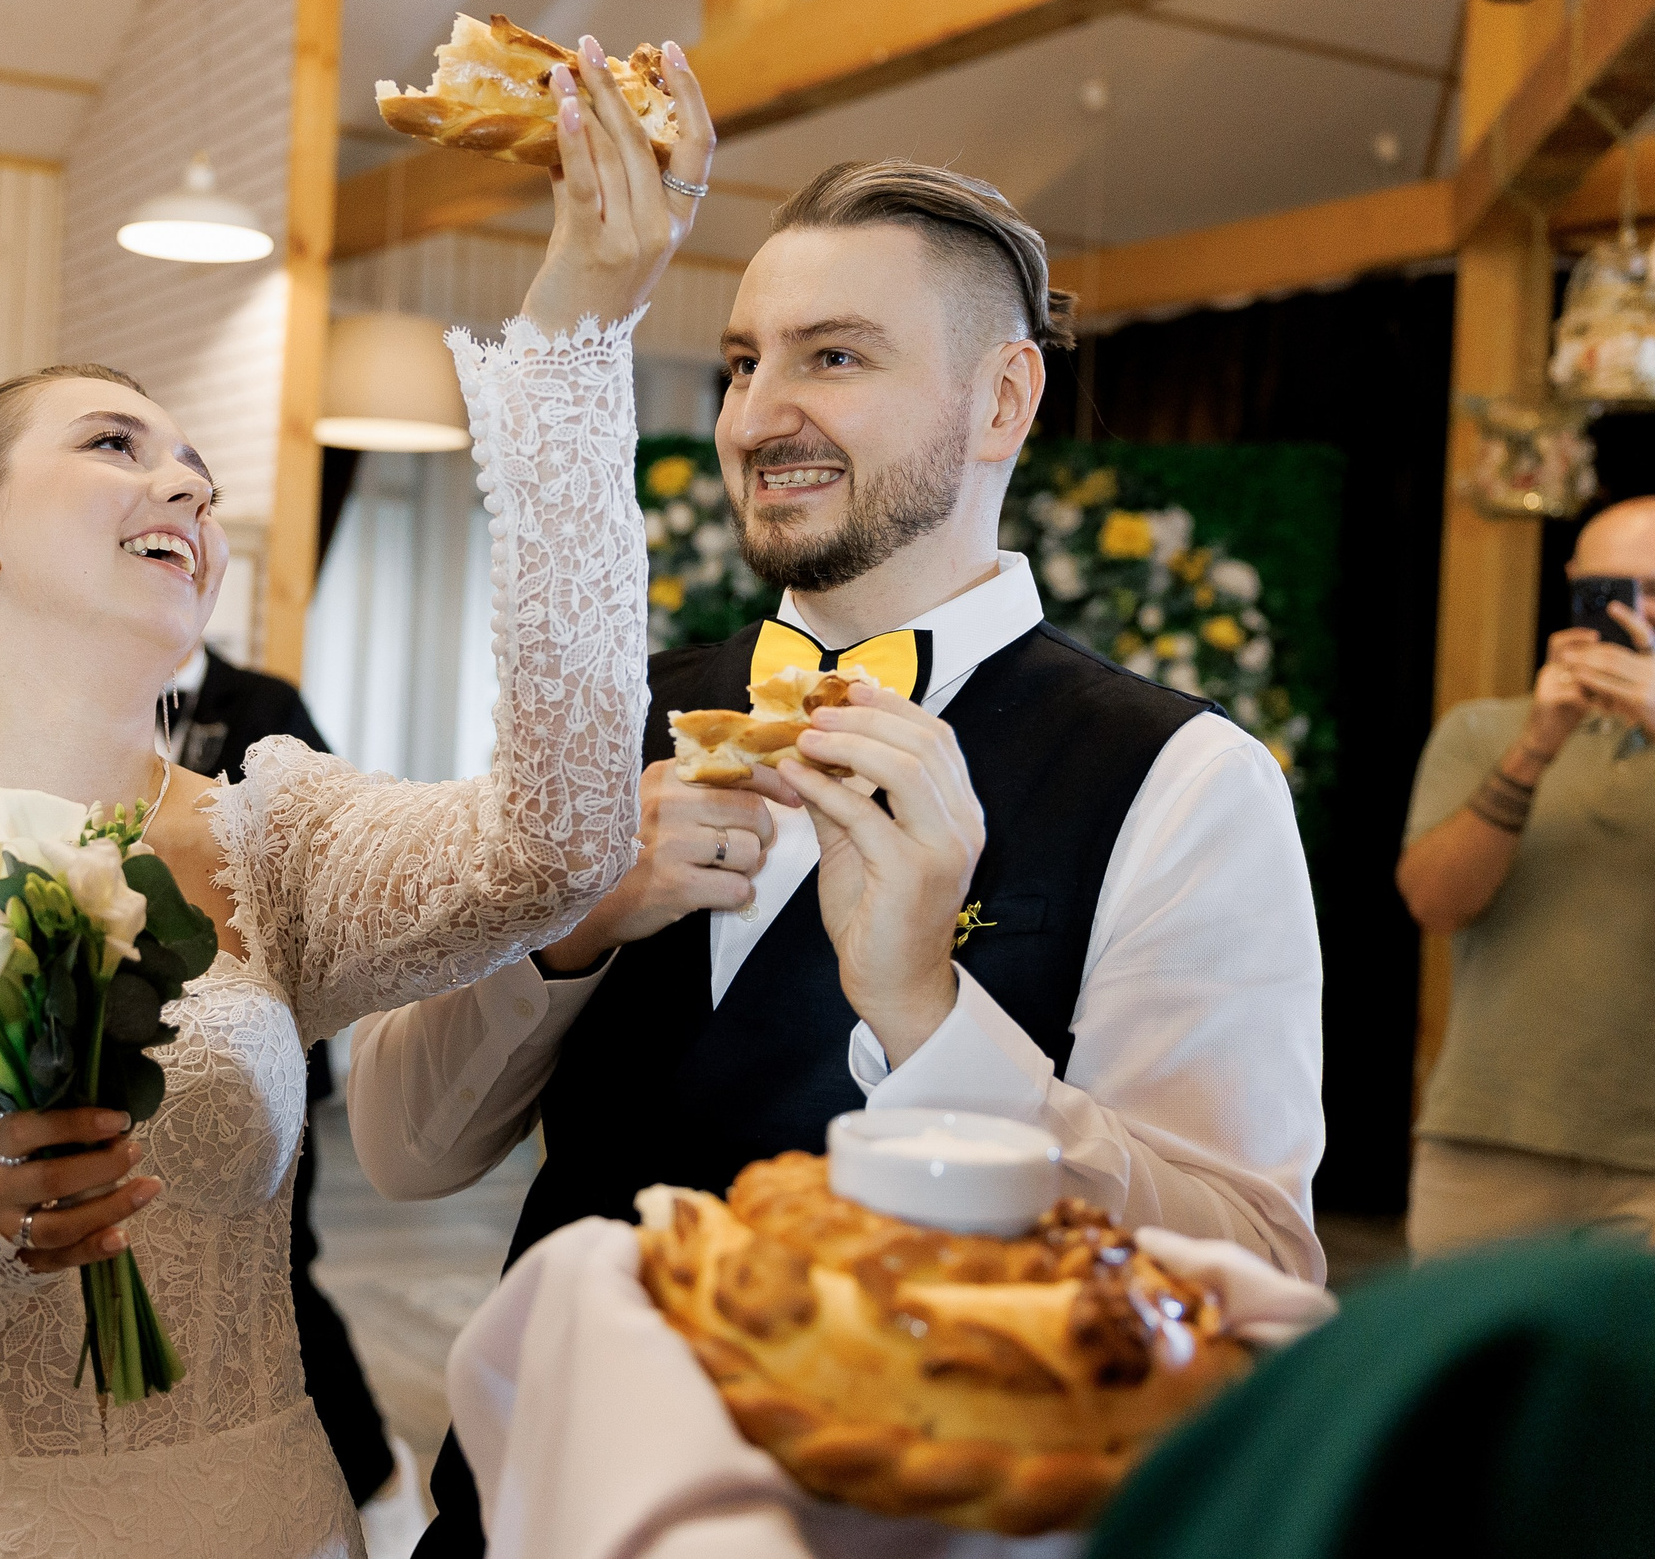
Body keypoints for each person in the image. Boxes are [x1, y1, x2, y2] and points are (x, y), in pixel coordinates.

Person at [0, 41, 717, 1559]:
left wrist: (575, 329)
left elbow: (561, 843)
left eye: (196, 472)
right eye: (115, 448)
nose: (184, 489)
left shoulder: (274, 839)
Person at [346, 160, 1327, 1559]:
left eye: (835, 357)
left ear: (1003, 400)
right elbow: (403, 1150)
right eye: (745, 362)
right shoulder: (610, 716)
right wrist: (570, 925)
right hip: (534, 1507)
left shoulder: (1183, 778)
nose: (757, 415)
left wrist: (932, 1011)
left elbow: (1243, 1273)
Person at [162, 644, 399, 1508]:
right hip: (125, 1048)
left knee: (282, 1261)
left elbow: (317, 861)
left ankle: (366, 1462)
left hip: (250, 1036)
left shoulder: (263, 701)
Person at [1395, 495, 1655, 1256]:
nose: (1635, 614)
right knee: (1460, 1372)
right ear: (1573, 585)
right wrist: (1536, 746)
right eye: (1612, 592)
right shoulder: (1484, 729)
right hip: (1488, 1137)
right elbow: (1436, 903)